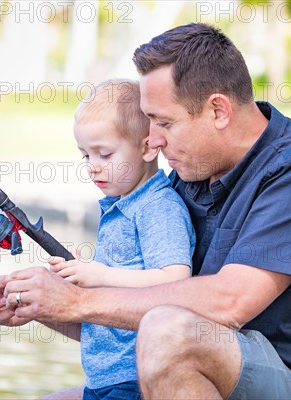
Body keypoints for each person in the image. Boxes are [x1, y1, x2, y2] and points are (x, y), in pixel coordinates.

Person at [0, 23, 291, 399]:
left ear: (218, 111)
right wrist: (42, 305)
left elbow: (227, 304)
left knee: (169, 330)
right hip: (209, 367)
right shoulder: (187, 176)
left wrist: (77, 303)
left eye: (163, 122)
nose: (151, 139)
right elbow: (134, 321)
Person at [50, 78, 195, 400]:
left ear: (146, 147)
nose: (92, 167)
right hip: (103, 376)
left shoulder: (158, 207)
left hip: (133, 377)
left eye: (104, 154)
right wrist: (79, 276)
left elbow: (176, 279)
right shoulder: (121, 205)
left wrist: (99, 274)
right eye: (85, 156)